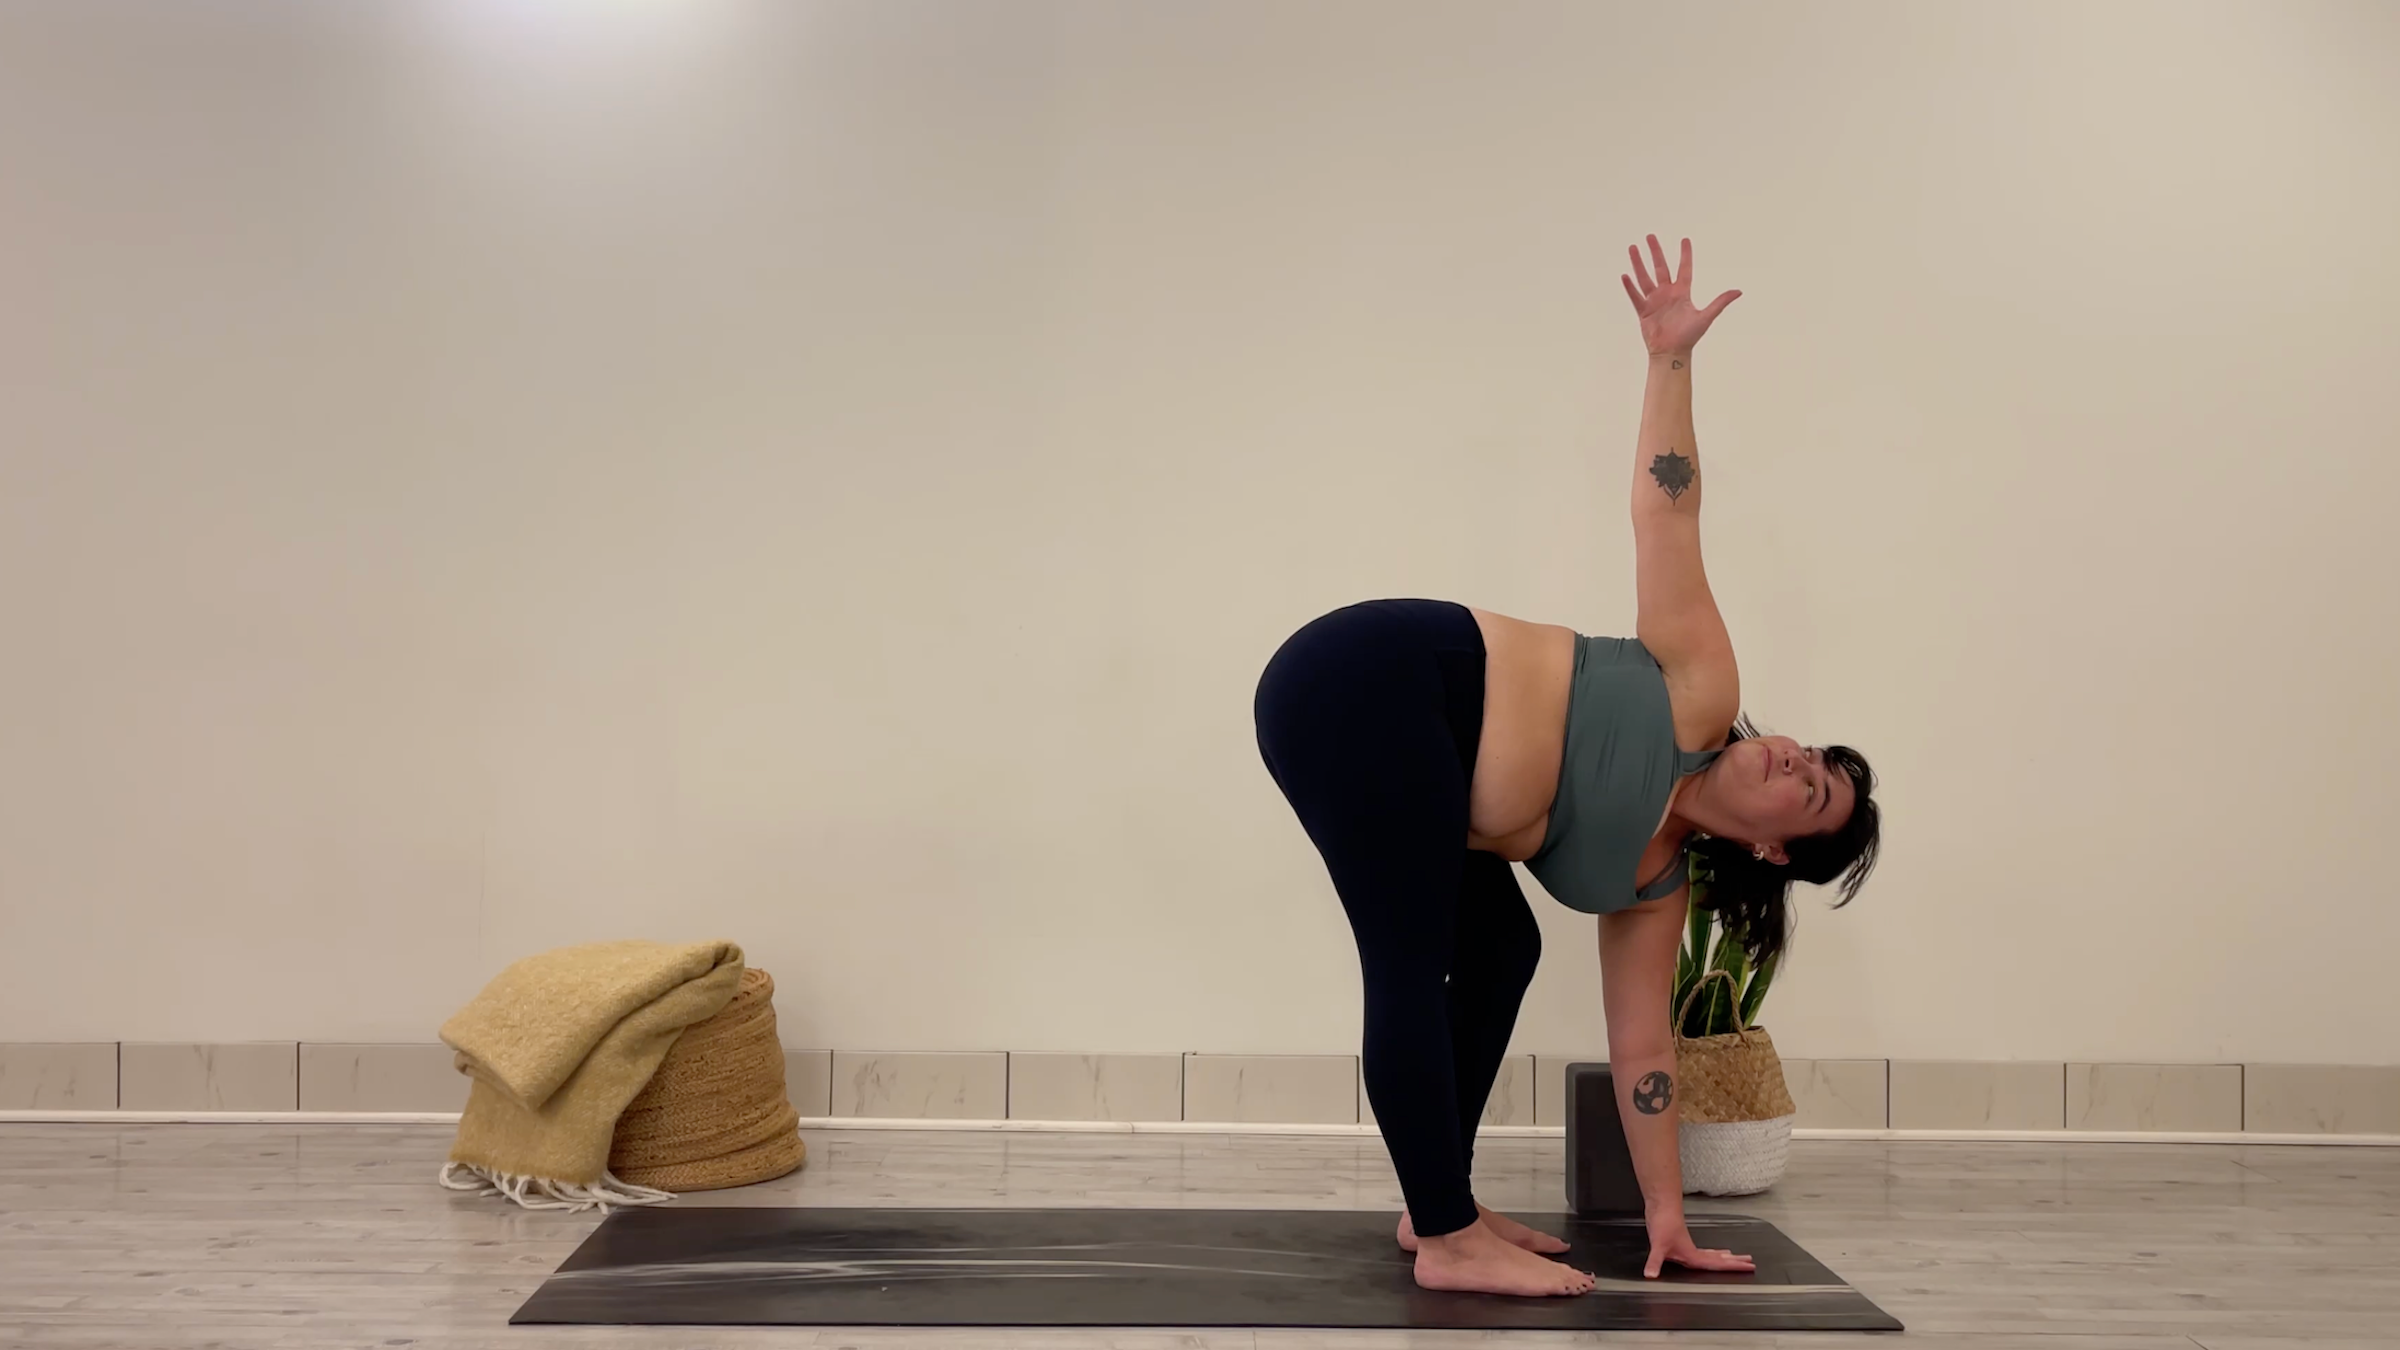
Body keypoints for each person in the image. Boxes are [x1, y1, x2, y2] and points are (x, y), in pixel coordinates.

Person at [1251, 234, 1881, 1298]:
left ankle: (1435, 1198)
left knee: (1496, 945)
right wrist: (1669, 360)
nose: (1791, 756)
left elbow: (1644, 1056)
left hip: (1417, 756)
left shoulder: (1651, 889)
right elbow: (1666, 510)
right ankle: (1448, 1237)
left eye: (1808, 788)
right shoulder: (1702, 694)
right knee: (1406, 960)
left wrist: (1669, 1219)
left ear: (1775, 846)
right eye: (1812, 754)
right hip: (1377, 681)